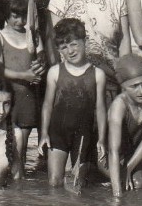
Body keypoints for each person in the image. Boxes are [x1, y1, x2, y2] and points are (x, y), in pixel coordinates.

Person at [47, 0, 129, 101]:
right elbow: (55, 40)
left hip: (111, 77)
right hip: (73, 76)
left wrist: (124, 72)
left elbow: (124, 38)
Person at [38, 18, 107, 188]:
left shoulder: (98, 74)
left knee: (78, 184)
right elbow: (47, 105)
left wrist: (102, 139)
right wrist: (44, 134)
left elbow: (100, 109)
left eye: (74, 44)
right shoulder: (55, 72)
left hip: (83, 134)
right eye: (64, 47)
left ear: (85, 41)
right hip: (57, 132)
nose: (70, 51)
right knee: (54, 181)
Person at [0, 0, 45, 170]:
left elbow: (41, 60)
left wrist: (40, 67)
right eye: (15, 16)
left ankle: (19, 184)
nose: (20, 21)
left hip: (27, 99)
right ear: (6, 12)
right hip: (8, 99)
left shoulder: (34, 36)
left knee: (22, 146)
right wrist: (25, 75)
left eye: (23, 16)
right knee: (6, 144)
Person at [107, 54, 142, 196]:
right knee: (119, 186)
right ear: (123, 87)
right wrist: (117, 197)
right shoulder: (119, 105)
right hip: (111, 155)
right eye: (134, 86)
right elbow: (113, 151)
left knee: (138, 184)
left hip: (133, 154)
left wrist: (128, 167)